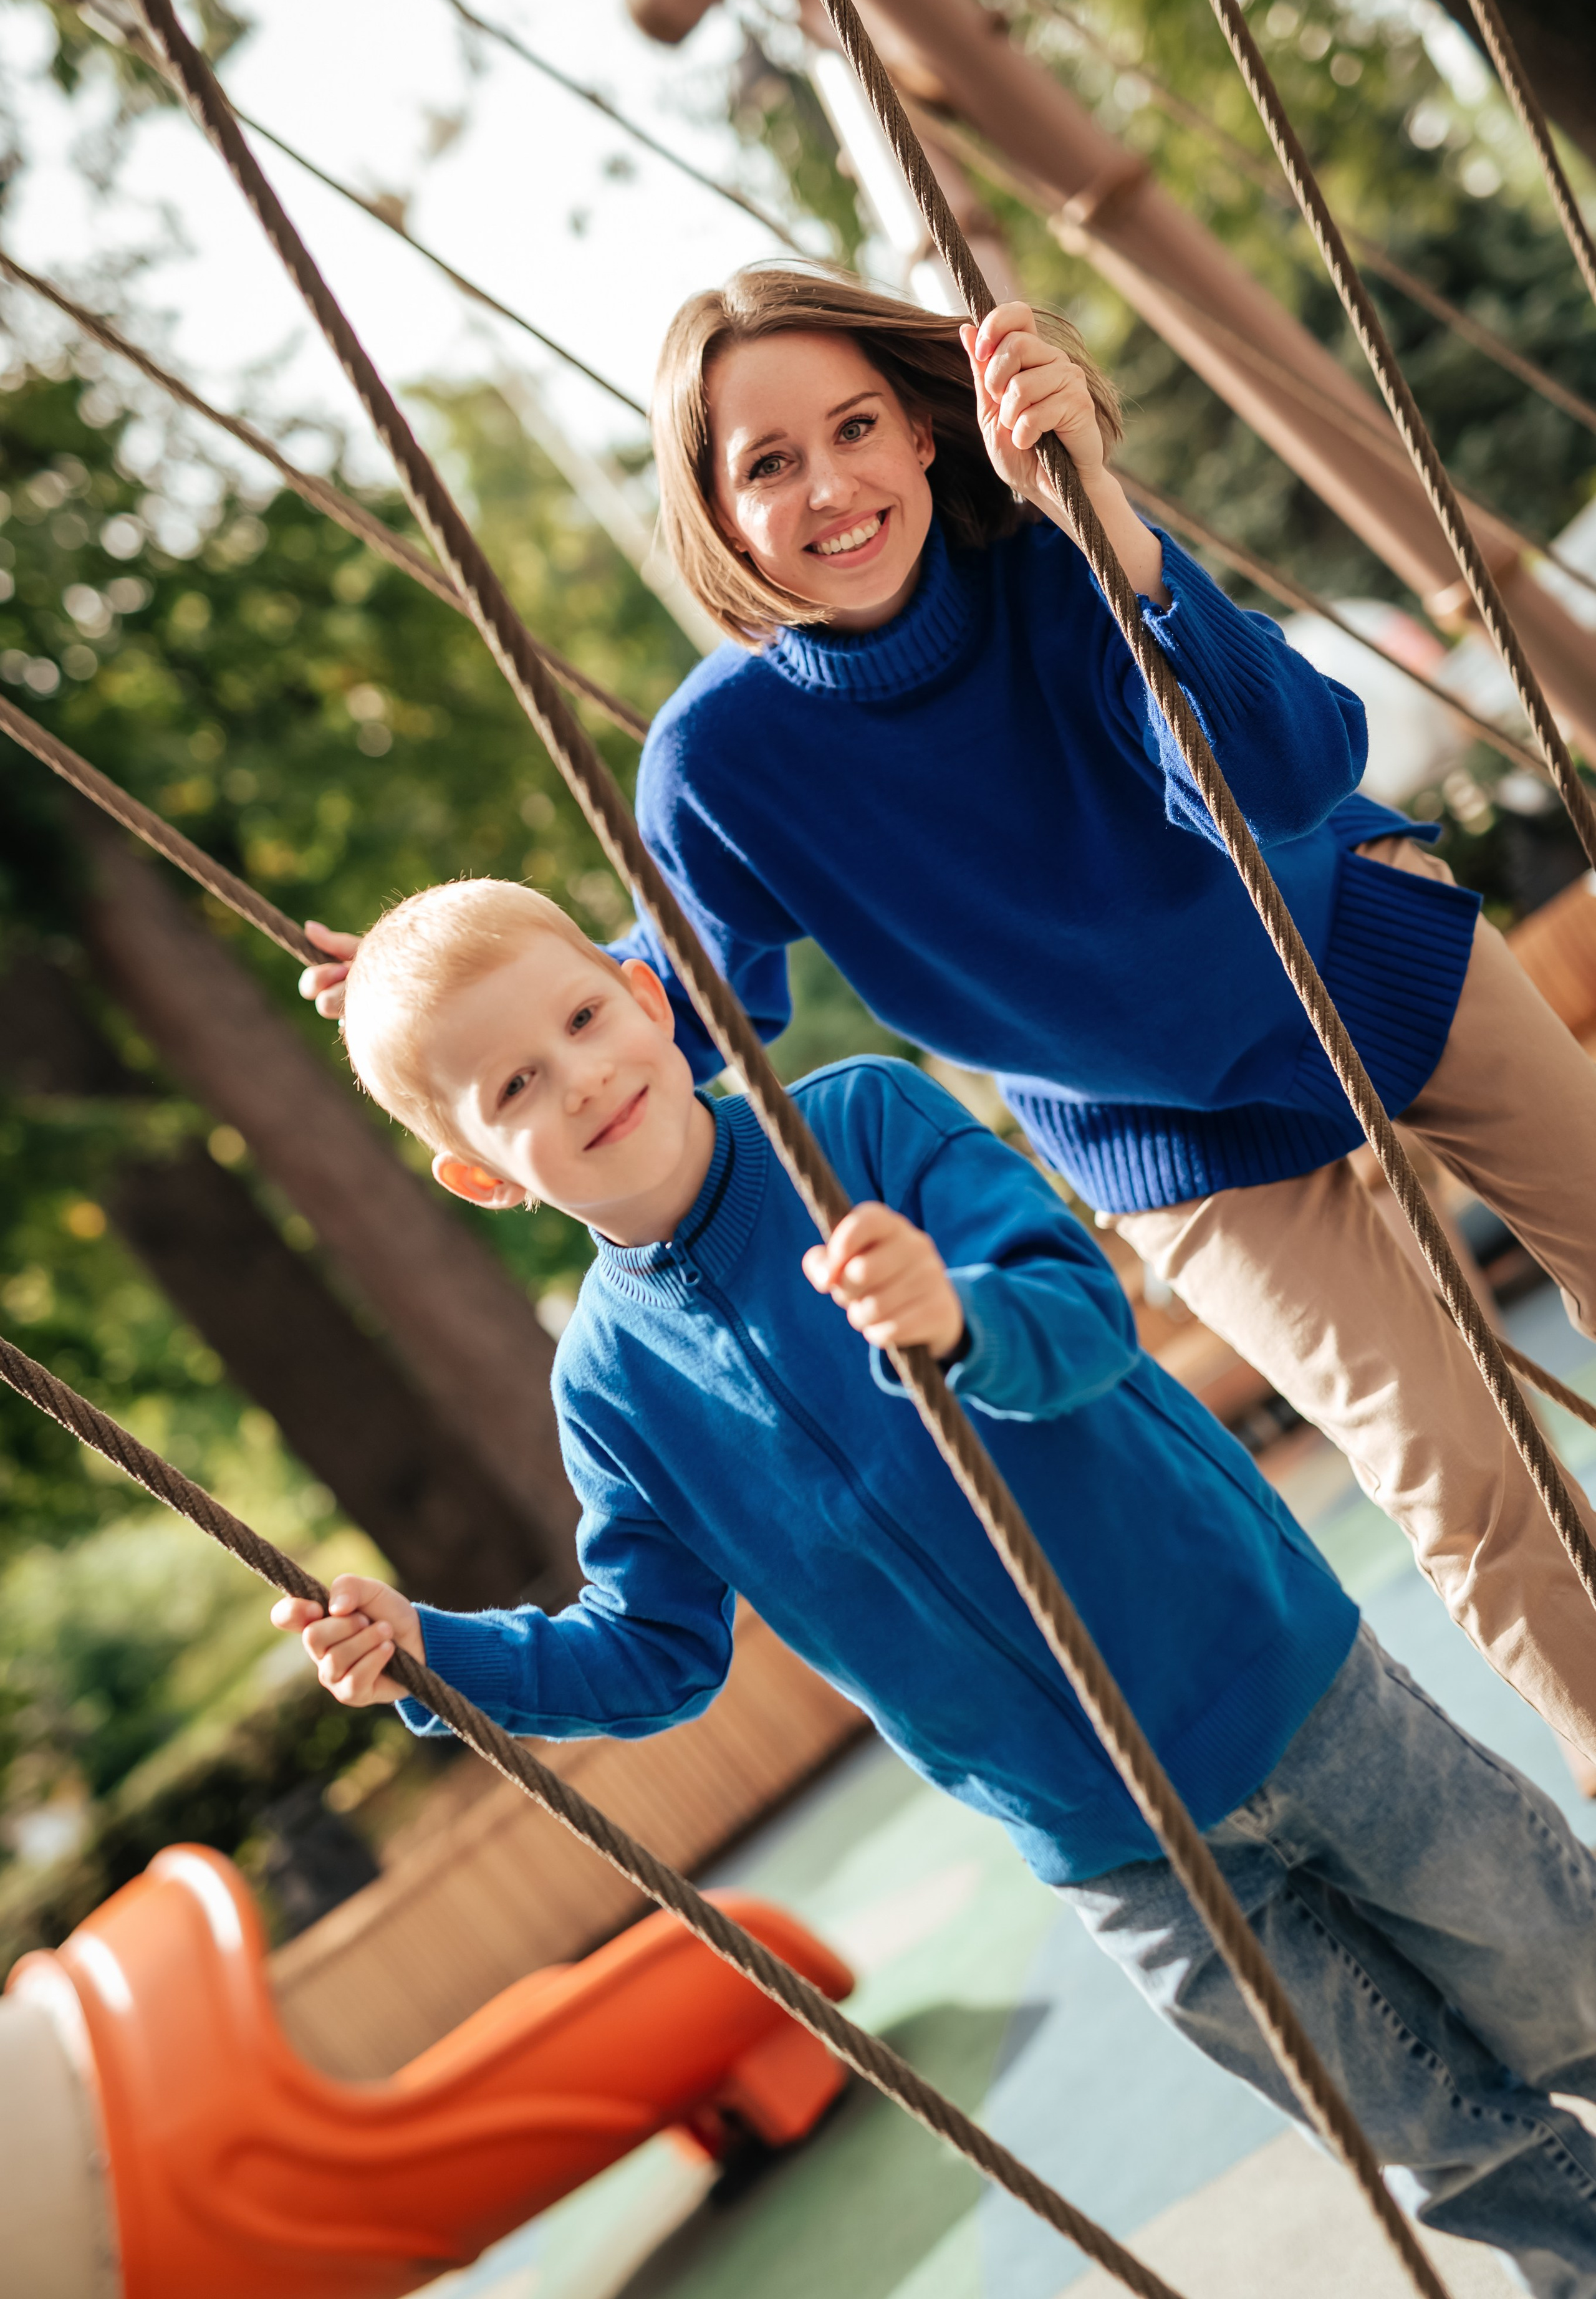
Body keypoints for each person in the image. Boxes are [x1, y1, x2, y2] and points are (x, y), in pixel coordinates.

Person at [299, 267, 1596, 1767]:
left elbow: (1290, 773)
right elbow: (677, 1002)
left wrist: (1105, 522)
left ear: (925, 431)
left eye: (854, 426)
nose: (828, 485)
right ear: (719, 517)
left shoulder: (1055, 567)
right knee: (1457, 1482)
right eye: (767, 465)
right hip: (1161, 1128)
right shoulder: (721, 762)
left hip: (1358, 954)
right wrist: (441, 1006)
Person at [280, 877, 1596, 2290]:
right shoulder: (608, 1387)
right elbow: (653, 1649)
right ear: (483, 1173)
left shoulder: (853, 1126)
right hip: (1107, 1838)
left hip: (1271, 1673)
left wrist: (961, 1314)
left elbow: (1084, 1315)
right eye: (514, 1085)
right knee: (1421, 2125)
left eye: (585, 1015)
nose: (582, 1076)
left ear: (649, 995)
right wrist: (438, 1655)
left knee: (1553, 1966)